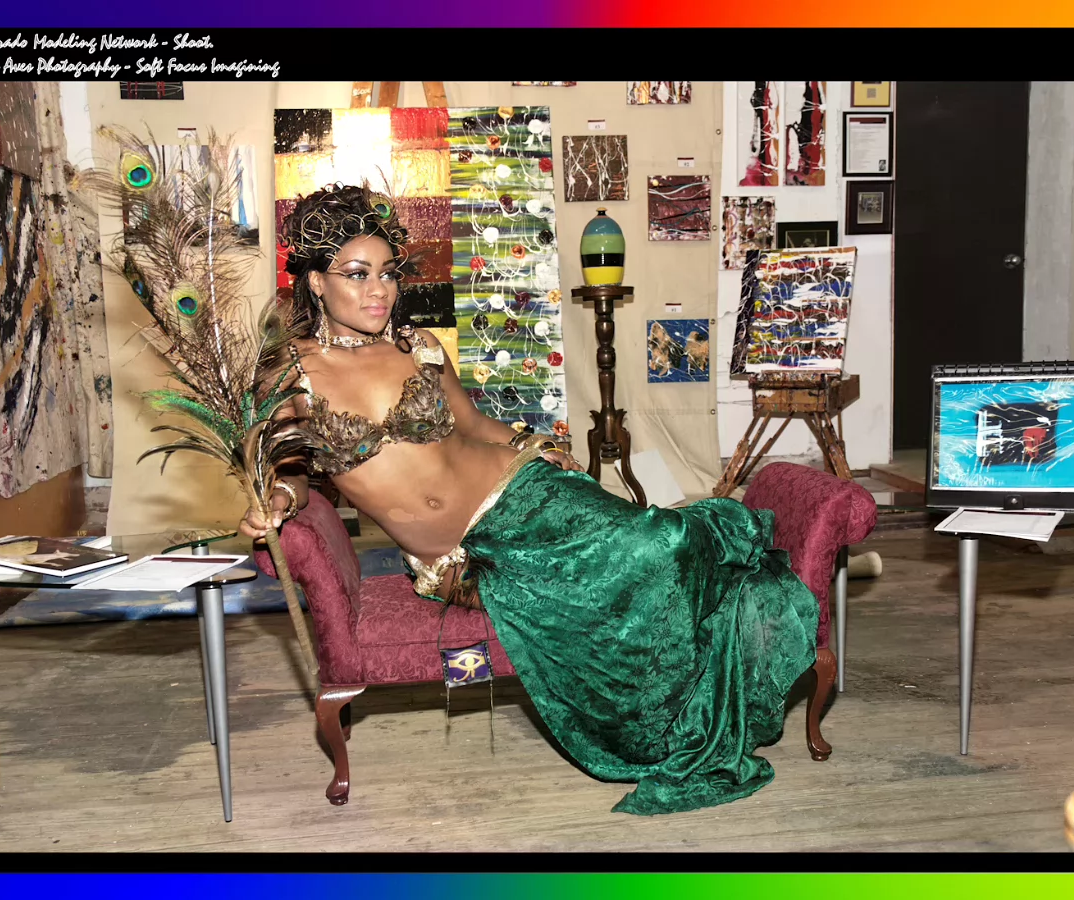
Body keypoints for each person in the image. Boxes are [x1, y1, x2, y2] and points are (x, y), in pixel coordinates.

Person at [240, 183, 819, 816]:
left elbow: (474, 425)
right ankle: (715, 599)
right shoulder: (290, 375)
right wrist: (279, 498)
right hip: (468, 553)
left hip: (529, 489)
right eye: (357, 274)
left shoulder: (418, 346)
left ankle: (732, 532)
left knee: (663, 542)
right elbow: (290, 467)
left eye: (387, 273)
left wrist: (538, 445)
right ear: (316, 282)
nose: (379, 290)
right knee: (650, 554)